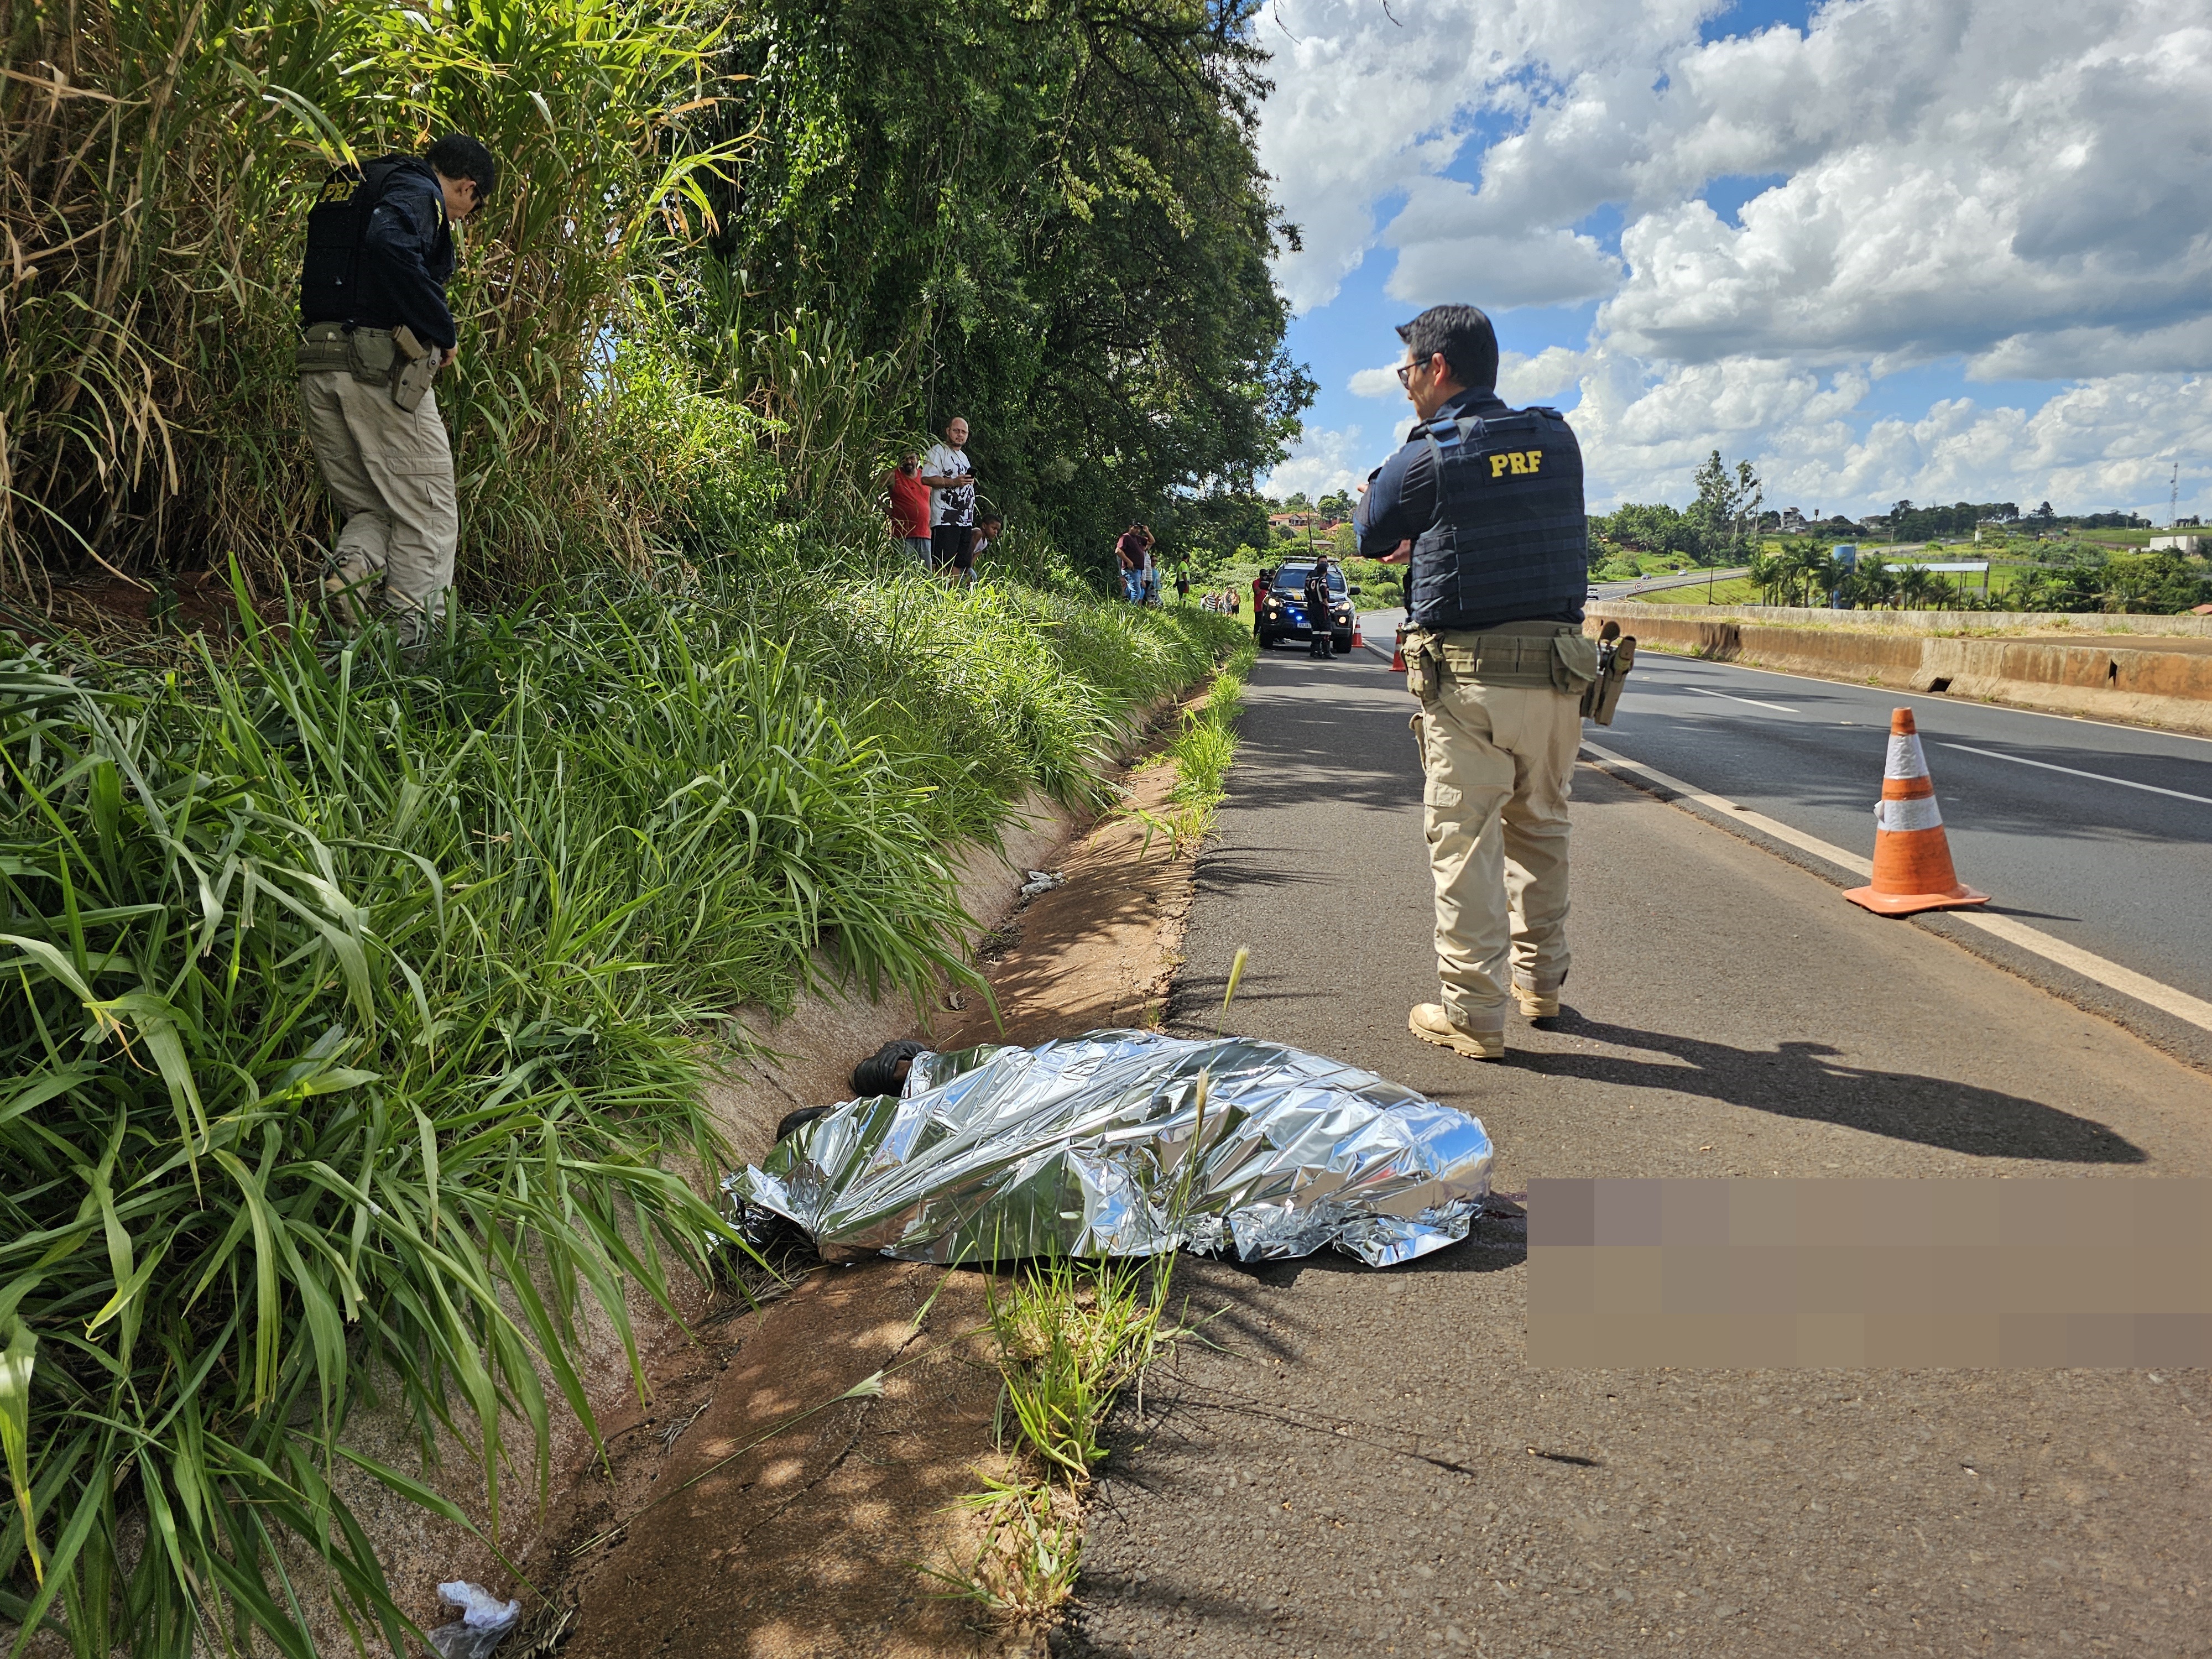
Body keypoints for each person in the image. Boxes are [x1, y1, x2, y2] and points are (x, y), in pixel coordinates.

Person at [1354, 302, 1596, 1062]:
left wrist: (1415, 528)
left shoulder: (1434, 453)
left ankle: (1474, 1014)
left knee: (1465, 846)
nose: (1405, 387)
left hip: (1470, 687)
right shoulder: (1557, 439)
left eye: (1407, 372)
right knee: (1544, 833)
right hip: (1559, 679)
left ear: (1437, 370)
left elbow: (1372, 529)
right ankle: (1542, 985)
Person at [298, 133, 499, 649]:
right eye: (468, 211)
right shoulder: (419, 191)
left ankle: (349, 585)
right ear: (467, 188)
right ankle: (413, 660)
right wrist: (440, 325)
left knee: (373, 510)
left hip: (319, 364)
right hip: (375, 371)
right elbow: (389, 243)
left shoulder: (359, 180)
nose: (460, 219)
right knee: (429, 514)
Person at [920, 416, 978, 574]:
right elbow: (926, 478)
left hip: (965, 521)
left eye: (964, 432)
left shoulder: (964, 457)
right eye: (956, 431)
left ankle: (955, 597)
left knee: (961, 565)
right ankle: (939, 596)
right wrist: (953, 482)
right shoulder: (938, 451)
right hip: (946, 520)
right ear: (948, 431)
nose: (960, 435)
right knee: (943, 563)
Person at [885, 449, 933, 567]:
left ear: (917, 458)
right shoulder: (893, 476)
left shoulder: (925, 477)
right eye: (905, 459)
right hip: (902, 536)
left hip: (925, 534)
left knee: (927, 575)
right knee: (903, 574)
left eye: (912, 458)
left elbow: (932, 500)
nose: (909, 461)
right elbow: (870, 489)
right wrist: (886, 509)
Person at [961, 514, 1002, 589]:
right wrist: (966, 575)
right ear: (984, 526)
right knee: (964, 581)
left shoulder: (985, 543)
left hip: (966, 565)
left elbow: (972, 561)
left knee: (974, 576)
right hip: (960, 561)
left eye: (997, 530)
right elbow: (968, 554)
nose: (996, 532)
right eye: (994, 528)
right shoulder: (977, 533)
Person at [1115, 524, 1147, 602]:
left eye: (1139, 529)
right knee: (1137, 592)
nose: (1137, 530)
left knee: (1132, 591)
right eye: (1135, 528)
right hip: (1131, 569)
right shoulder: (1125, 537)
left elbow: (1152, 541)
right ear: (1130, 527)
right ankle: (1133, 611)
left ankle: (1125, 605)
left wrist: (1147, 531)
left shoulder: (1138, 539)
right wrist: (1129, 561)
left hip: (1138, 570)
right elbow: (1118, 551)